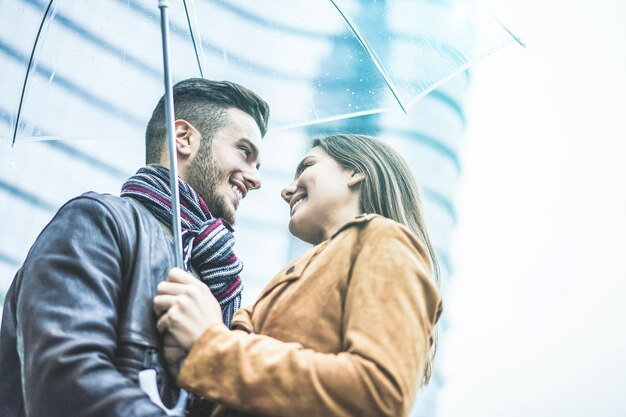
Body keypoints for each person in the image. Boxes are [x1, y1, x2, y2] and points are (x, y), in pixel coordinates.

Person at [0, 78, 270, 417]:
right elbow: (67, 378)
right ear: (183, 139)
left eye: (257, 166)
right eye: (245, 152)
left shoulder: (211, 275)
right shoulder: (100, 222)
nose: (255, 178)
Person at [154, 133, 444, 417]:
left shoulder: (384, 242)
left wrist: (212, 345)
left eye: (307, 166)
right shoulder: (306, 273)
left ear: (355, 172)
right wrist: (190, 360)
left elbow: (378, 394)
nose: (286, 191)